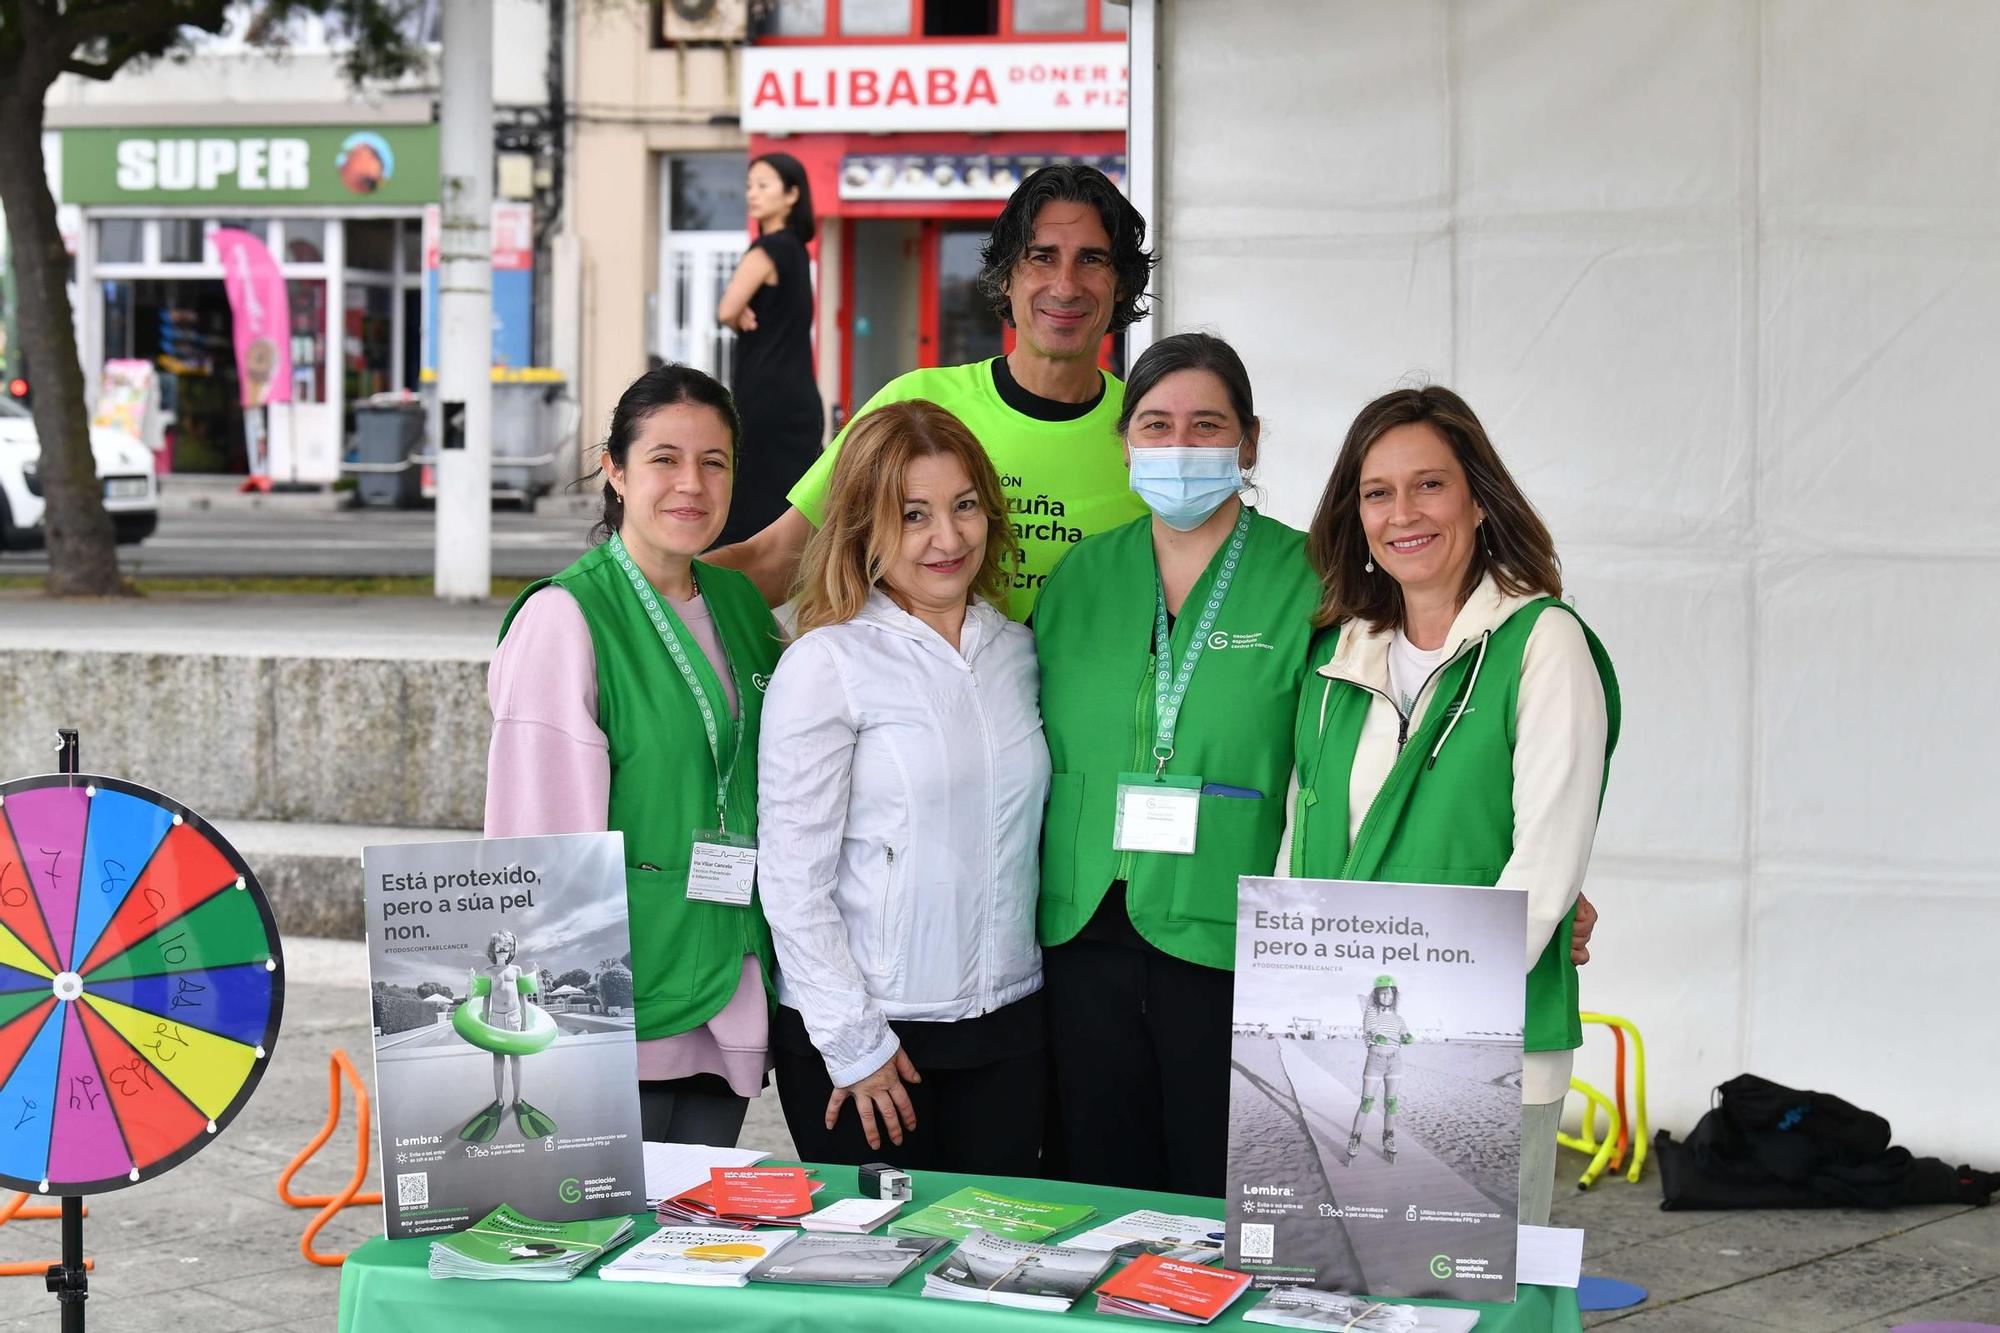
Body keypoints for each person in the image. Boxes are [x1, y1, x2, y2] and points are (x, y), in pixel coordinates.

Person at [1290, 384, 1619, 1227]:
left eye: (1429, 484)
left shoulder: (1544, 644)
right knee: (1344, 1297)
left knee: (1463, 1306)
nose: (1405, 511)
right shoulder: (1335, 660)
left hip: (1486, 1048)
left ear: (1478, 499)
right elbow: (1305, 858)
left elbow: (1544, 871)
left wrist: (1433, 1019)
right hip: (1343, 1039)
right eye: (1377, 491)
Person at [1033, 333, 1320, 1197]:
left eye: (1207, 425)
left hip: (1228, 930)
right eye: (1156, 425)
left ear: (1251, 441)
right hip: (1080, 928)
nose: (1180, 446)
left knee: (1216, 1184)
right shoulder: (1081, 575)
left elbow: (1357, 762)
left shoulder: (1314, 576)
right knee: (1097, 1186)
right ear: (1125, 443)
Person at [485, 364, 785, 1146]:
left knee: (685, 1250)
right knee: (599, 1246)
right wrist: (543, 1025)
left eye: (713, 462)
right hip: (614, 1006)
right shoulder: (565, 618)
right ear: (614, 471)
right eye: (664, 458)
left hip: (725, 974)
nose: (692, 483)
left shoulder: (740, 606)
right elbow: (537, 850)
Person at [756, 400, 1050, 1175]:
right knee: (879, 1279)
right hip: (873, 1042)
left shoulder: (1017, 651)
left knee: (997, 1278)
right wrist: (855, 1043)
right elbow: (792, 883)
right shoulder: (827, 663)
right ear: (863, 527)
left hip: (1011, 1026)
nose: (946, 538)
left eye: (963, 507)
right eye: (912, 514)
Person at [709, 163, 1155, 618]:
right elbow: (777, 559)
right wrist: (641, 595)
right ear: (1005, 276)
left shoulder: (1153, 432)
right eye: (1041, 257)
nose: (1065, 286)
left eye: (1092, 259)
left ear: (1120, 284)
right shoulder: (916, 407)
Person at [715, 152, 825, 549]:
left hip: (764, 396)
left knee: (751, 505)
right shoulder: (797, 253)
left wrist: (735, 313)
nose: (753, 194)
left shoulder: (766, 251)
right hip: (798, 396)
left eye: (764, 185)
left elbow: (726, 308)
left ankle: (732, 591)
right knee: (791, 504)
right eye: (749, 186)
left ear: (792, 194)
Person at [455, 930, 556, 1142]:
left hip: (514, 1018)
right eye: (499, 946)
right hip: (496, 1019)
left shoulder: (516, 970)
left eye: (507, 946)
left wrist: (526, 1022)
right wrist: (484, 1022)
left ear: (511, 949)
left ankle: (517, 1098)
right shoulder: (488, 971)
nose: (503, 949)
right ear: (493, 949)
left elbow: (522, 997)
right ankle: (499, 1099)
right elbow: (485, 999)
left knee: (516, 1060)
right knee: (498, 1061)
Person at [1343, 974, 1414, 1164]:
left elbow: (1405, 1033)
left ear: (1394, 996)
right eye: (1382, 994)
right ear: (1376, 996)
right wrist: (1376, 1036)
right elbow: (1370, 1030)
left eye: (1389, 994)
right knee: (1367, 1102)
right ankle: (1355, 1138)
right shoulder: (1371, 1012)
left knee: (1391, 1103)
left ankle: (1388, 1138)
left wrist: (1407, 1037)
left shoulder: (1399, 1019)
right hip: (1375, 1060)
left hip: (1395, 1061)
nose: (1386, 998)